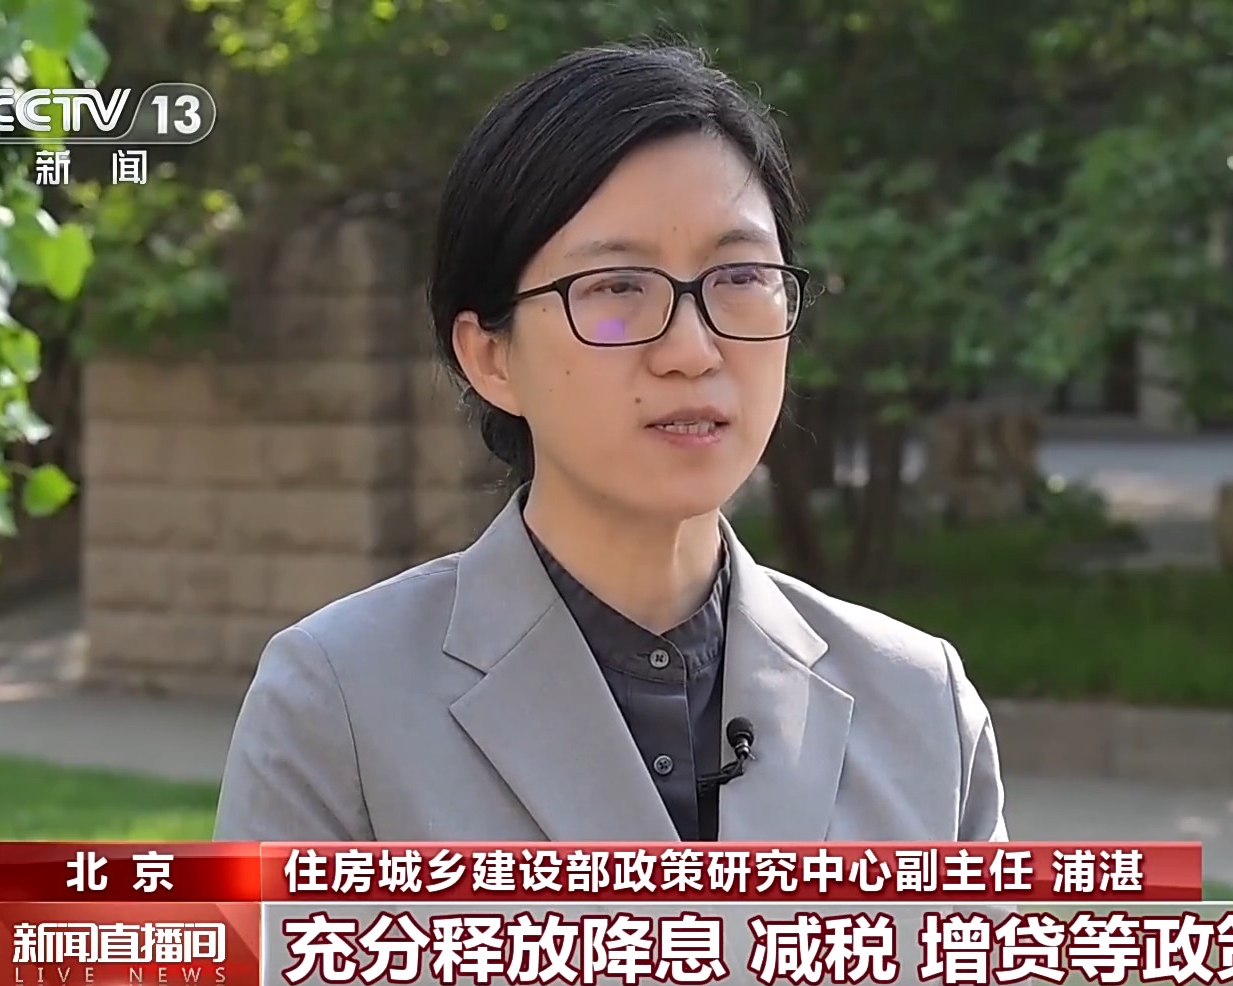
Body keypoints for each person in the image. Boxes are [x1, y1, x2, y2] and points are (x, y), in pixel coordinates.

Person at [212, 43, 1007, 844]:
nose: (692, 350)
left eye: (739, 278)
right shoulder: (340, 703)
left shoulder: (920, 707)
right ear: (490, 358)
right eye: (617, 287)